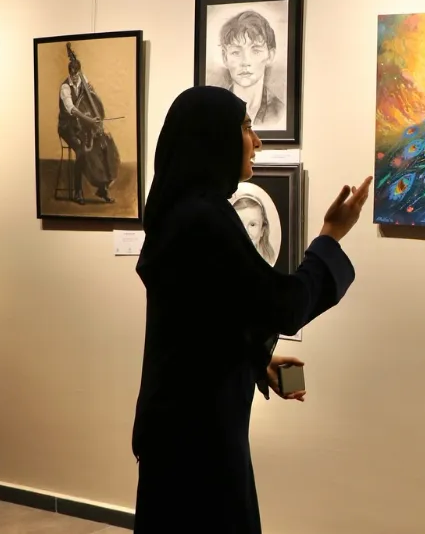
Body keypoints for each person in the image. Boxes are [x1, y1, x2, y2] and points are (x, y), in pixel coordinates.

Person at [130, 85, 372, 533]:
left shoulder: (179, 212)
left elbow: (204, 320)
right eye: (245, 127)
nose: (257, 141)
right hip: (197, 438)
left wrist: (257, 360)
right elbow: (283, 304)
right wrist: (329, 237)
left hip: (179, 427)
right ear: (214, 137)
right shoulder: (204, 219)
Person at [57, 43, 116, 204]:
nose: (75, 77)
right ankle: (78, 192)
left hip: (83, 127)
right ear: (69, 72)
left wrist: (92, 91)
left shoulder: (83, 79)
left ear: (79, 72)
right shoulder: (65, 88)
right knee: (82, 152)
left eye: (77, 74)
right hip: (68, 127)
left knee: (102, 146)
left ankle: (102, 188)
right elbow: (72, 109)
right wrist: (90, 120)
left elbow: (92, 100)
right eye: (72, 74)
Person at [218, 10, 286, 129]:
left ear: (270, 55)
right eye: (236, 52)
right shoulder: (215, 111)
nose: (245, 62)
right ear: (225, 57)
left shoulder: (280, 112)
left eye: (256, 51)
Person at [233, 192, 276, 265]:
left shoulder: (268, 262)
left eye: (252, 224)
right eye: (239, 223)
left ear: (262, 230)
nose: (245, 231)